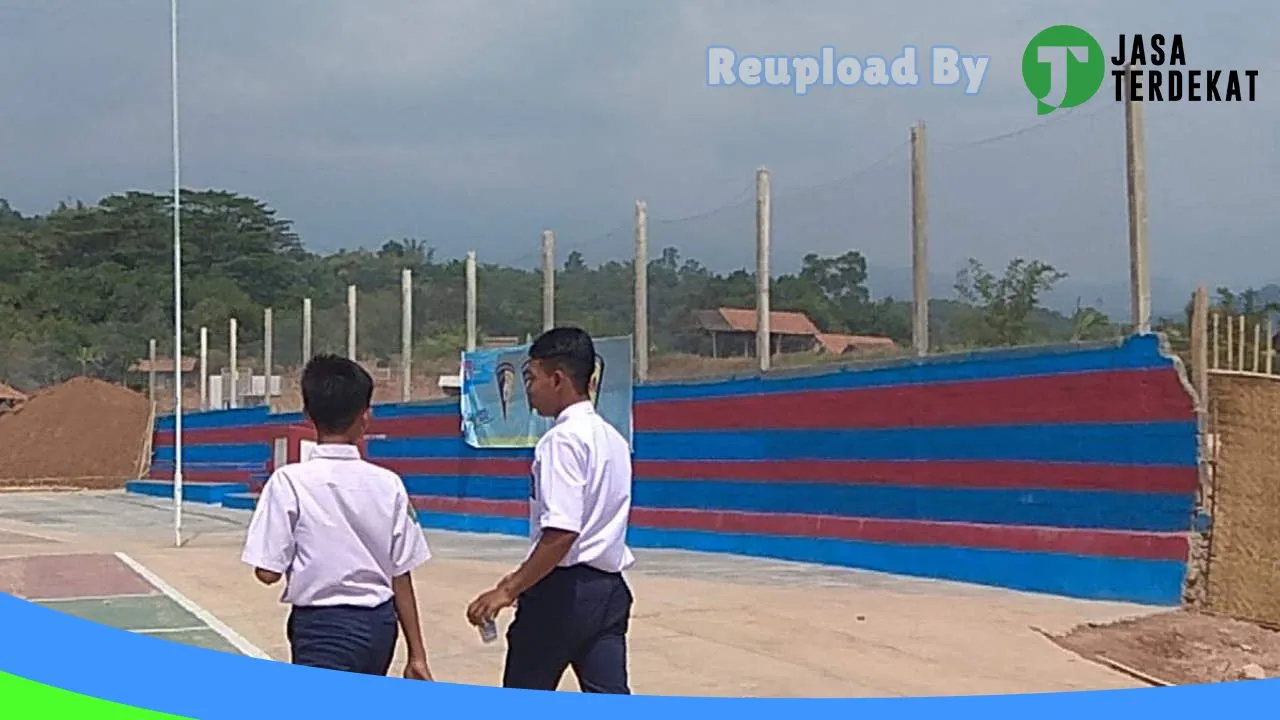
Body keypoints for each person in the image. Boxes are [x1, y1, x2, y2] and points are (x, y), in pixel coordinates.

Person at [241, 354, 434, 680]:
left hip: (322, 628)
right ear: (365, 417)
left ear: (307, 414)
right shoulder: (389, 484)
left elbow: (267, 572)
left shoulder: (290, 482)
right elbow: (401, 573)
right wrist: (417, 653)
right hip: (379, 627)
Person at [466, 327, 636, 694]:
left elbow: (562, 532)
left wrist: (507, 589)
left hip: (562, 594)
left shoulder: (560, 441)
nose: (528, 389)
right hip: (608, 589)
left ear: (557, 379)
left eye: (531, 377)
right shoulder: (614, 440)